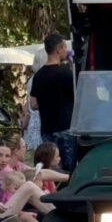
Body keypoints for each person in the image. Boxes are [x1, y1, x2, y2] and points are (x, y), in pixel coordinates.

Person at [30, 33, 76, 171]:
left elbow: (33, 104)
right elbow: (78, 95)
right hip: (66, 127)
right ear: (58, 49)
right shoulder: (66, 73)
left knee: (50, 166)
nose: (66, 51)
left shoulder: (38, 76)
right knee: (69, 167)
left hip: (47, 129)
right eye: (65, 48)